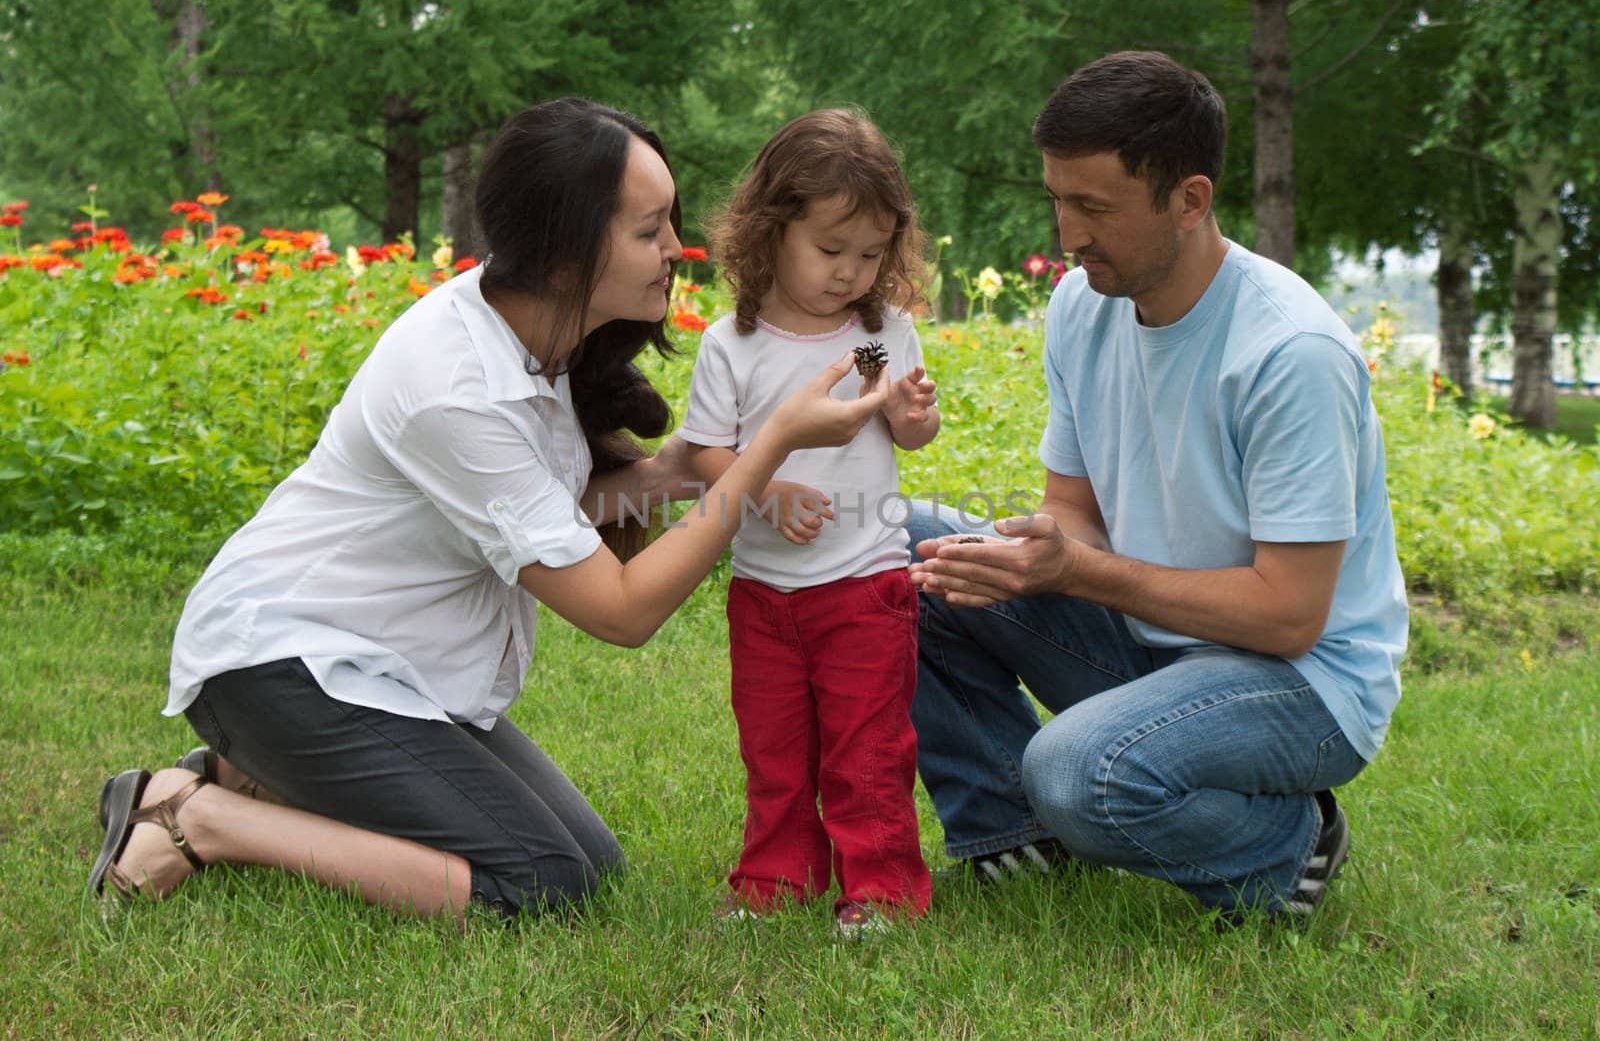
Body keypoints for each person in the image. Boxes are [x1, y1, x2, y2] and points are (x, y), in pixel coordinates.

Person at [86, 97, 890, 921]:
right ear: (566, 251)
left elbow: (532, 510)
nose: (674, 251)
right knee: (541, 881)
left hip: (379, 671)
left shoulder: (543, 333)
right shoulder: (454, 385)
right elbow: (620, 611)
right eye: (648, 231)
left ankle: (247, 775)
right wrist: (769, 448)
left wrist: (670, 473)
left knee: (594, 865)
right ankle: (202, 816)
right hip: (279, 664)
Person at [907, 51, 1408, 922]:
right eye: (1057, 200)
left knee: (1074, 768)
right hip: (1153, 639)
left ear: (1190, 199)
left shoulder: (1290, 354)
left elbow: (1289, 614)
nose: (1067, 234)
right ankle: (1013, 842)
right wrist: (1035, 555)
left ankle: (1287, 848)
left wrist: (1074, 571)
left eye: (1093, 206)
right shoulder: (1082, 304)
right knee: (906, 552)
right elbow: (1075, 514)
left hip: (1301, 681)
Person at [678, 109, 939, 934]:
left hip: (864, 585)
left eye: (870, 255)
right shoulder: (738, 343)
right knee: (776, 751)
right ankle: (775, 880)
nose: (849, 274)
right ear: (770, 230)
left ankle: (882, 892)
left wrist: (909, 410)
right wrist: (768, 491)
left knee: (867, 753)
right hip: (764, 593)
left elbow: (896, 420)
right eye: (831, 251)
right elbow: (704, 457)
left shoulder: (873, 335)